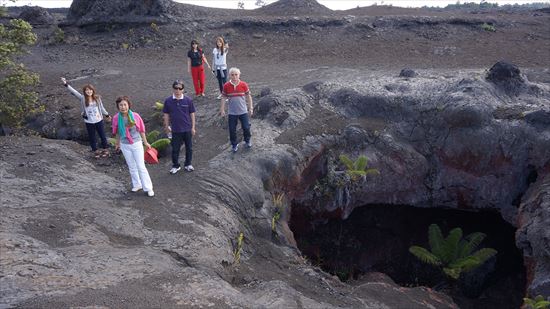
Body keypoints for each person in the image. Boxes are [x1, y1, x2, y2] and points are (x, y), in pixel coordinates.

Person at [112, 96, 154, 197]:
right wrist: (117, 144)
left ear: (128, 105)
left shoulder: (135, 116)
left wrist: (146, 142)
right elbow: (117, 132)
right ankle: (137, 184)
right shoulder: (116, 118)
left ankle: (148, 188)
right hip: (125, 145)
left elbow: (141, 130)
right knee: (131, 166)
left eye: (125, 105)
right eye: (121, 105)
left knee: (141, 166)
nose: (123, 107)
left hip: (136, 143)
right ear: (118, 106)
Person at [61, 77, 111, 158]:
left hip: (99, 120)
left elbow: (101, 108)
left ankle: (106, 150)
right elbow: (74, 92)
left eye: (90, 90)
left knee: (102, 135)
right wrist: (66, 84)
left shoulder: (97, 98)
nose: (89, 91)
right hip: (89, 122)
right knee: (92, 137)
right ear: (84, 91)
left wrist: (107, 115)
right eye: (87, 90)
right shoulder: (82, 98)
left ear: (93, 90)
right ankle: (95, 151)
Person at [163, 80, 196, 174]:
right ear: (173, 89)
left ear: (183, 89)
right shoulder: (168, 101)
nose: (178, 90)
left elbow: (192, 114)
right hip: (175, 129)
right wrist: (167, 126)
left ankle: (188, 164)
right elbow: (166, 114)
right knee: (175, 148)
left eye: (180, 88)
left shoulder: (188, 100)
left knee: (189, 147)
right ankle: (175, 165)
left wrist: (193, 127)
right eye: (176, 88)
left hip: (187, 128)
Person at [220, 67, 253, 153]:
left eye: (236, 74)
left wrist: (250, 108)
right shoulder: (226, 86)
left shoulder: (244, 84)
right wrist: (222, 109)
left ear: (239, 75)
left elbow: (248, 96)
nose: (234, 76)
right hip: (232, 112)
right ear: (229, 75)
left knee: (246, 127)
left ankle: (247, 140)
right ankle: (234, 144)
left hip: (243, 111)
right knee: (232, 129)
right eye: (232, 75)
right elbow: (223, 97)